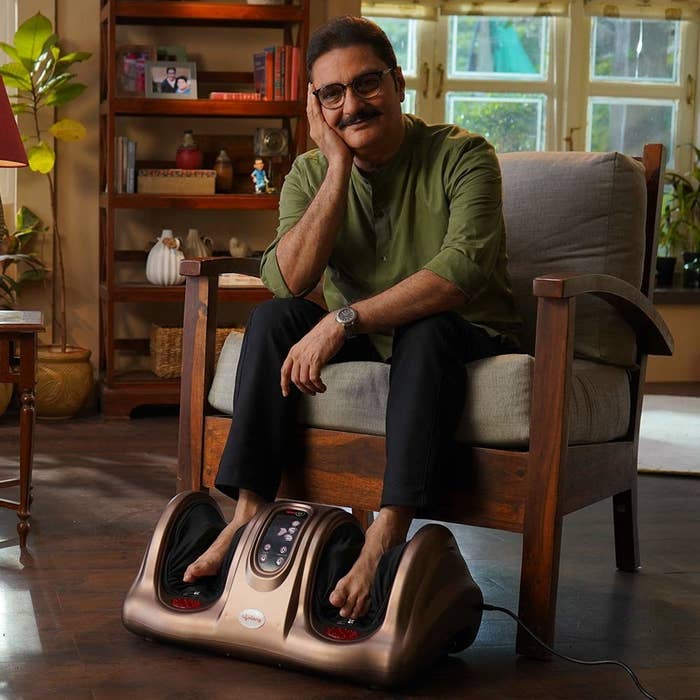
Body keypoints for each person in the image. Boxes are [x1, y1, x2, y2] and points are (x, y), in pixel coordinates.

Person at [183, 16, 521, 621]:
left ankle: (387, 530)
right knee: (273, 319)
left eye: (366, 85)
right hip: (371, 333)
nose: (352, 105)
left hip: (463, 333)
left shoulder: (465, 155)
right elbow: (288, 280)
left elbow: (458, 274)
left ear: (396, 84)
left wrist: (340, 322)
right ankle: (247, 513)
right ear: (316, 107)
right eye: (331, 95)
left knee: (427, 327)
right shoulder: (312, 173)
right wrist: (337, 168)